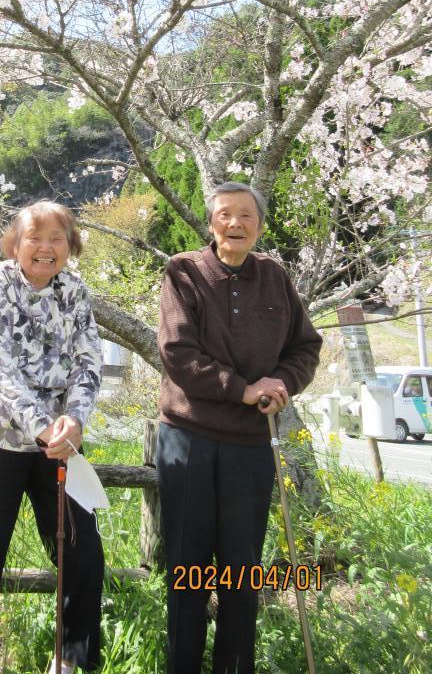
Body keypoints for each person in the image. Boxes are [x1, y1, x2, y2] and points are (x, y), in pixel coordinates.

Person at [156, 181, 322, 674]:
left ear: (259, 225)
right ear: (211, 223)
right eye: (225, 215)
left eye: (246, 216)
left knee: (241, 569)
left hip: (250, 445)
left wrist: (281, 383)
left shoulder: (275, 277)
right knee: (187, 566)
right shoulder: (183, 271)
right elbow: (177, 354)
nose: (235, 224)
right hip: (188, 438)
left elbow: (305, 348)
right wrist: (241, 388)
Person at [0, 201, 104, 674]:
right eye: (34, 237)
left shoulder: (75, 290)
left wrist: (75, 419)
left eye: (57, 238)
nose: (45, 247)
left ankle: (72, 660)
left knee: (81, 549)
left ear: (70, 247)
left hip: (58, 440)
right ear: (15, 243)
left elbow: (88, 359)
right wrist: (39, 424)